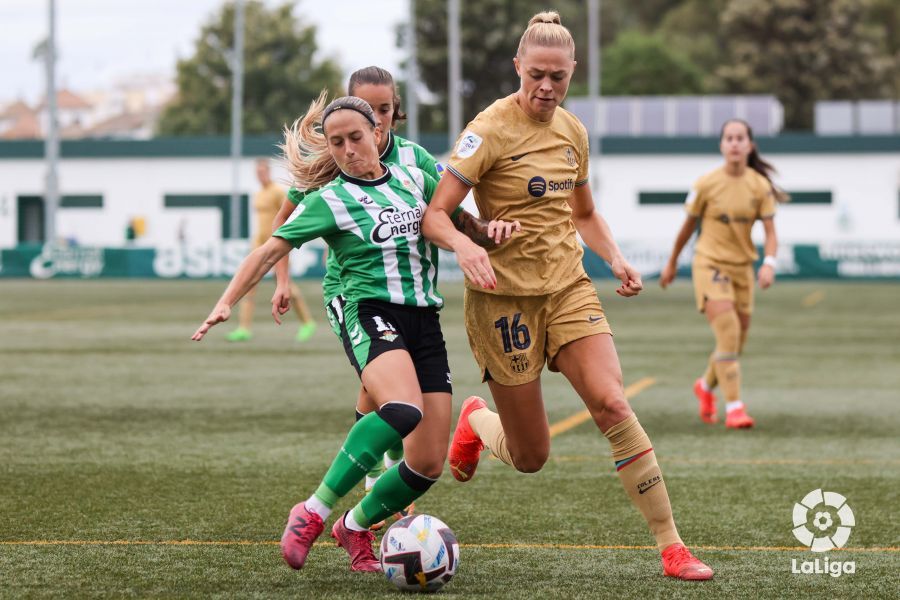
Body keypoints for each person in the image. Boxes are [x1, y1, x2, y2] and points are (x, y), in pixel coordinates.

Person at [421, 11, 713, 581]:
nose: (546, 88)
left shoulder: (573, 131)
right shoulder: (487, 130)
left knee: (612, 404)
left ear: (572, 71)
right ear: (517, 68)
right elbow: (436, 215)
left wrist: (617, 258)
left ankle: (672, 547)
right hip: (502, 302)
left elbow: (584, 214)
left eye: (558, 76)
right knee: (532, 458)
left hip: (567, 289)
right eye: (536, 75)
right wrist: (466, 246)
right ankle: (477, 421)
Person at [193, 94, 514, 573]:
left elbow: (458, 221)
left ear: (377, 136)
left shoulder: (413, 177)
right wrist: (225, 302)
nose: (347, 149)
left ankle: (354, 526)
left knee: (426, 464)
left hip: (423, 318)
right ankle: (313, 512)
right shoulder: (330, 200)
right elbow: (266, 251)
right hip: (367, 310)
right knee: (402, 410)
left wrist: (491, 232)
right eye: (337, 142)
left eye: (356, 138)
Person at [269, 66, 492, 529]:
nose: (381, 119)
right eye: (371, 109)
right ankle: (367, 479)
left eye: (386, 110)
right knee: (386, 381)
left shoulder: (415, 161)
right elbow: (284, 225)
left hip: (413, 295)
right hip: (353, 291)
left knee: (385, 388)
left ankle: (376, 481)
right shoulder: (336, 157)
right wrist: (281, 280)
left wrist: (486, 234)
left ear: (391, 113)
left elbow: (451, 214)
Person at [660, 118, 784, 428]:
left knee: (735, 343)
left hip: (742, 269)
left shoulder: (759, 186)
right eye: (728, 138)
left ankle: (704, 386)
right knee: (728, 333)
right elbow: (687, 228)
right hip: (710, 264)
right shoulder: (706, 184)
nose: (734, 143)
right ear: (721, 145)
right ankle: (735, 407)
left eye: (740, 138)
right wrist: (672, 262)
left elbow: (771, 232)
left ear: (749, 145)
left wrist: (769, 262)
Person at [225, 158, 316, 342]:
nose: (260, 175)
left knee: (285, 284)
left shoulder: (277, 192)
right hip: (260, 243)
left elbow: (285, 216)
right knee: (249, 283)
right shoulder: (259, 194)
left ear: (268, 172)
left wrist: (284, 241)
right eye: (257, 173)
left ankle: (307, 322)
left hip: (275, 244)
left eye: (263, 172)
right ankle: (244, 328)